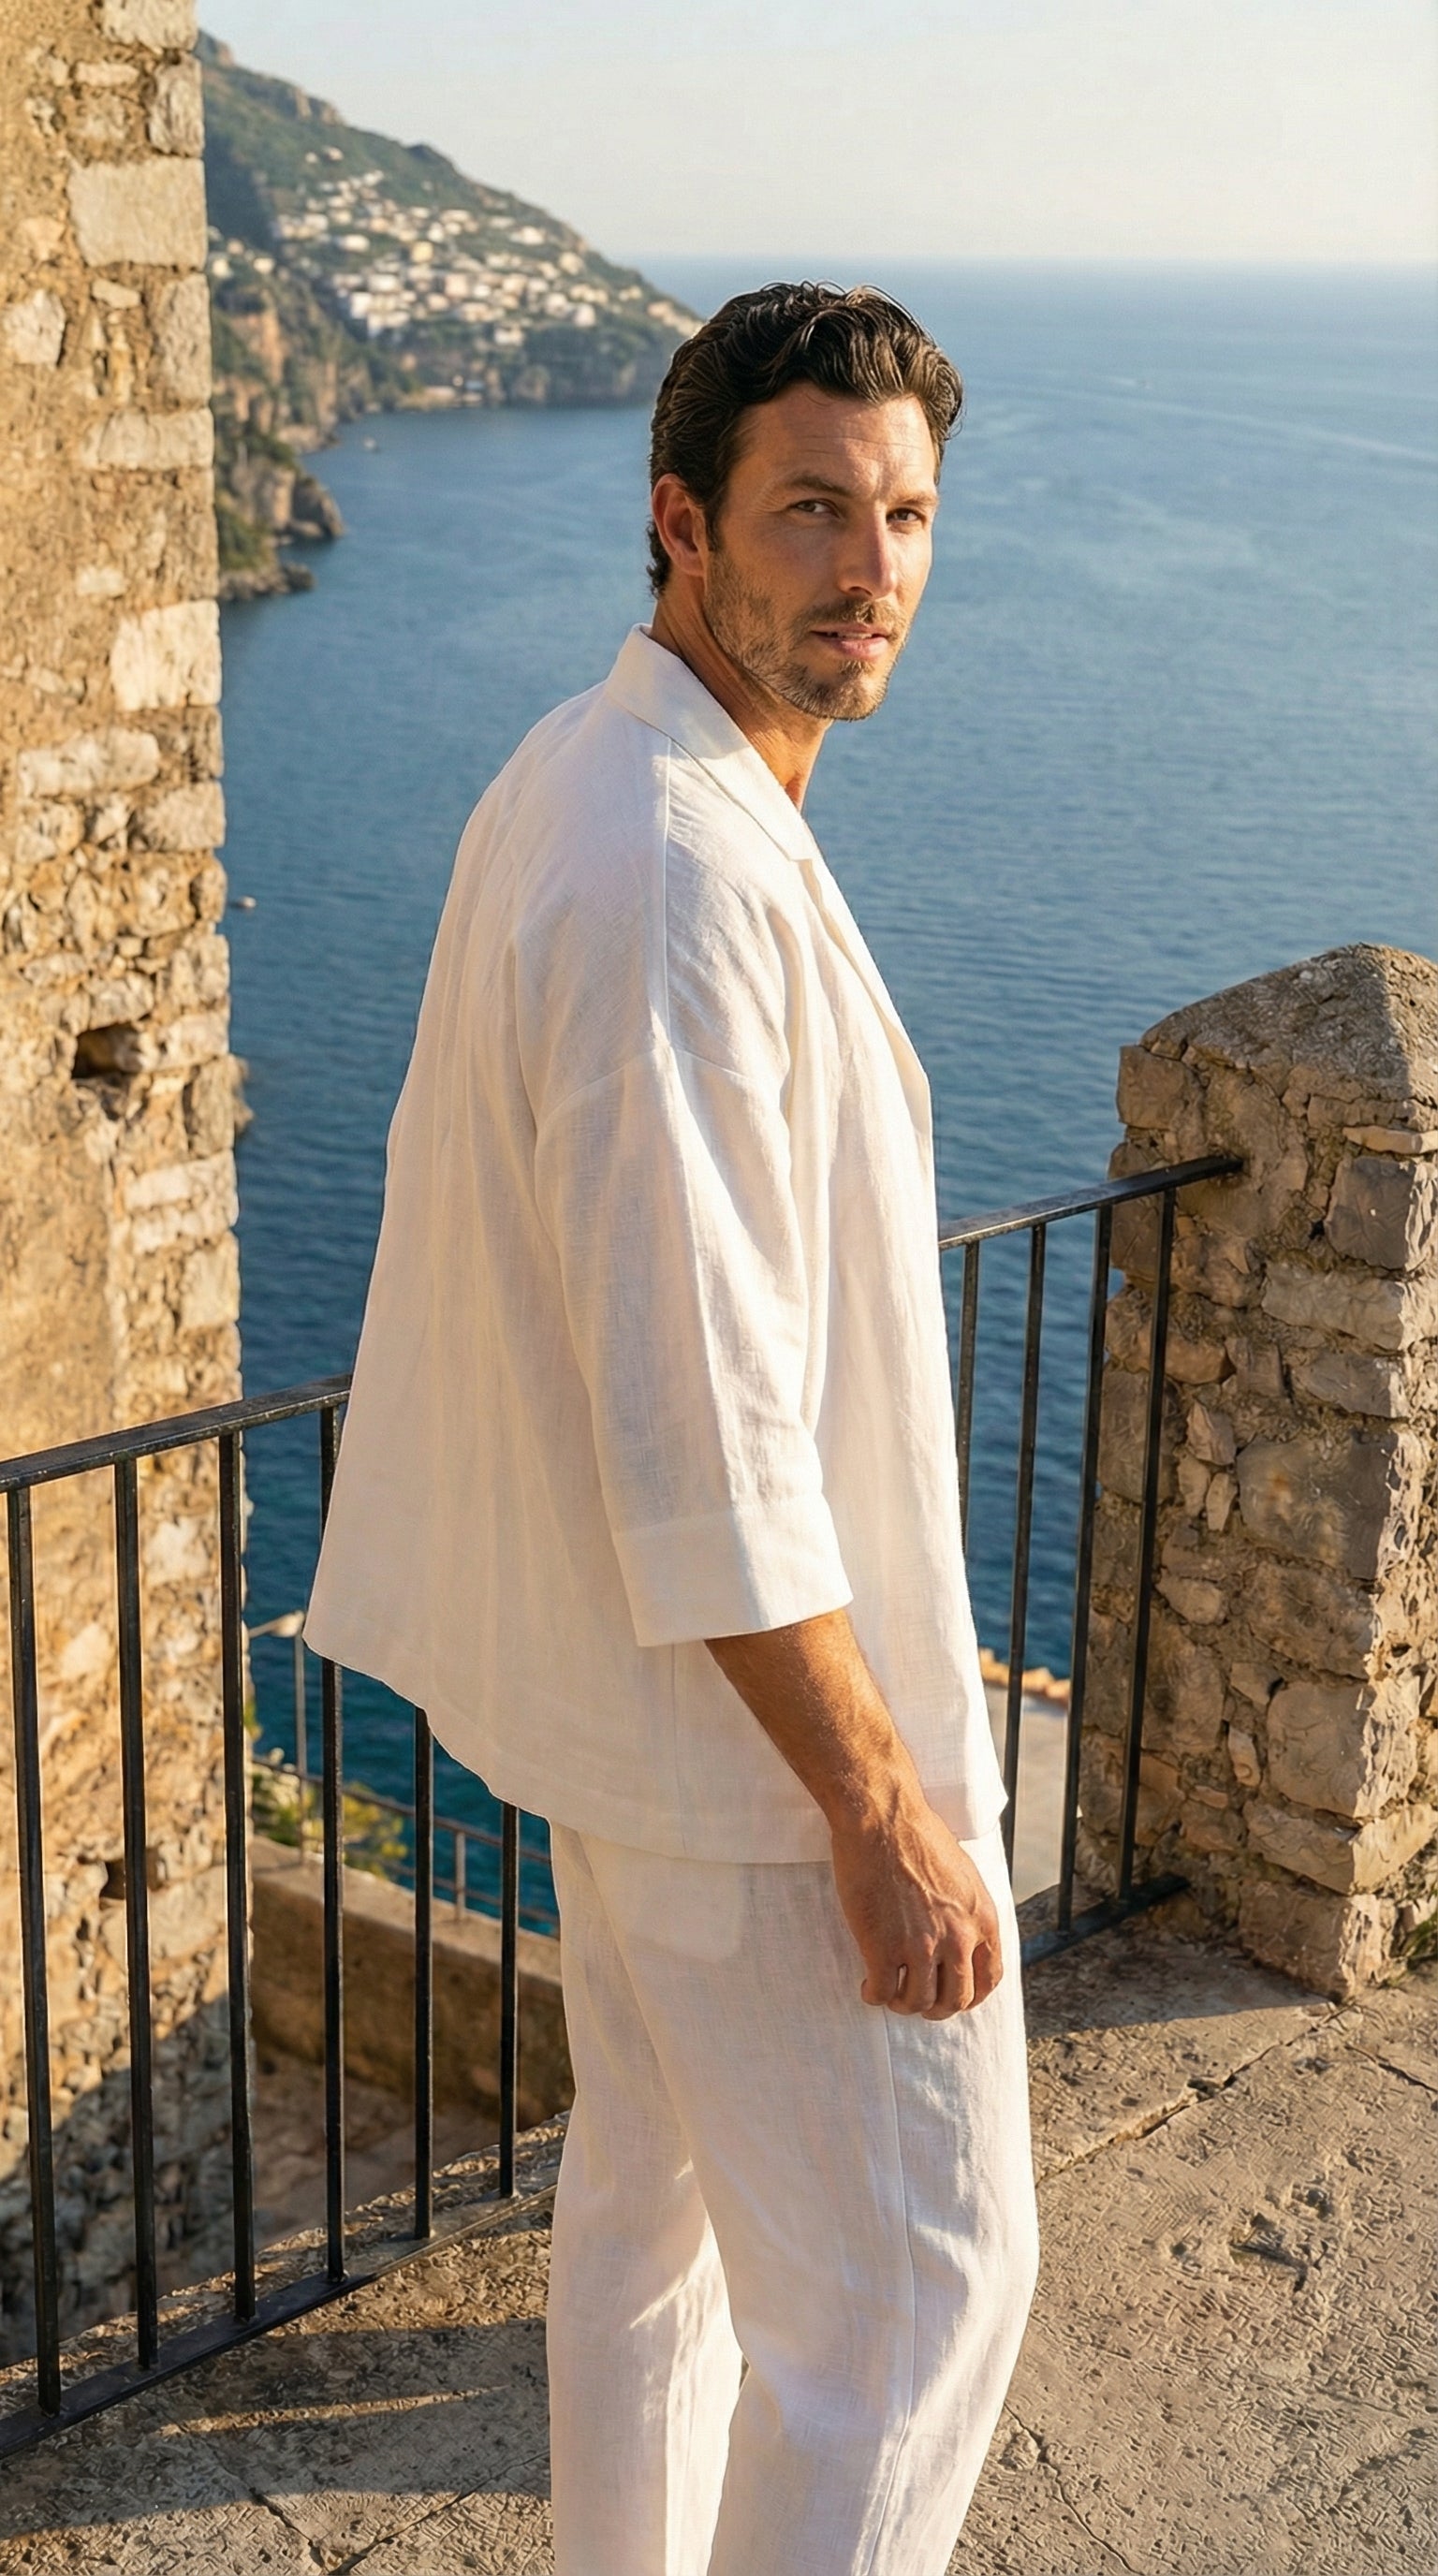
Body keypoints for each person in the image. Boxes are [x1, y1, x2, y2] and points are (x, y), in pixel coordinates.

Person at [305, 281, 1039, 2576]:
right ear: (680, 519)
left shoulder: (598, 775)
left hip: (641, 1745)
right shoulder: (674, 881)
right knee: (915, 2308)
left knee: (657, 2238)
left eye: (905, 511)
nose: (870, 563)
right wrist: (885, 1806)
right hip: (758, 1784)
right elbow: (700, 1433)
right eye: (811, 506)